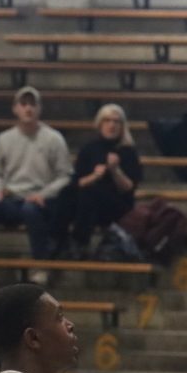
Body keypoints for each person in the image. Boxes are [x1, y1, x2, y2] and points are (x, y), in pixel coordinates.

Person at [0, 87, 71, 282]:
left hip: (41, 199)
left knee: (31, 210)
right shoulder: (4, 139)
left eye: (32, 104)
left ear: (39, 109)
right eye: (23, 104)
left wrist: (45, 193)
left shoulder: (54, 138)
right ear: (15, 108)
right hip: (11, 198)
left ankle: (41, 266)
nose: (28, 109)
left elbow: (65, 175)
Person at [61, 104, 142, 259]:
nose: (111, 125)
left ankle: (79, 242)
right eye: (107, 121)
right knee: (67, 194)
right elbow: (77, 182)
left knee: (91, 193)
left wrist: (115, 170)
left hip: (117, 206)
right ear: (100, 124)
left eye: (116, 121)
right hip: (89, 204)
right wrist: (94, 177)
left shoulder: (128, 151)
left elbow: (129, 188)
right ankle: (57, 243)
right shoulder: (89, 149)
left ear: (122, 126)